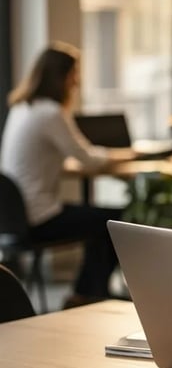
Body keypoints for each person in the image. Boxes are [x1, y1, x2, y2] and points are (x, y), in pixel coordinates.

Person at [0, 42, 133, 309]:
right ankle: (87, 294)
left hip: (13, 217)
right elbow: (88, 158)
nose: (77, 81)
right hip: (39, 216)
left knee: (99, 220)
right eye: (75, 74)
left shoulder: (22, 108)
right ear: (62, 76)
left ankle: (87, 292)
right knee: (116, 220)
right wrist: (127, 154)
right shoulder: (50, 113)